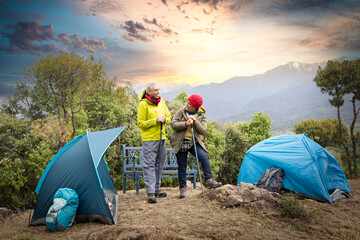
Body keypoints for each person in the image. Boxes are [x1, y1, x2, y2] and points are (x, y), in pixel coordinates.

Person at [170, 94, 222, 198]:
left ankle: (209, 179)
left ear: (195, 107)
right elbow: (173, 124)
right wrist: (186, 123)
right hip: (180, 142)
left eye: (190, 104)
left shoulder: (201, 115)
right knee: (182, 165)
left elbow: (203, 131)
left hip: (194, 142)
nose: (187, 105)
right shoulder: (182, 111)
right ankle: (182, 188)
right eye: (188, 102)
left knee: (203, 156)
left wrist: (195, 121)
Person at [137, 83, 171, 203]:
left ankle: (157, 190)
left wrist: (165, 119)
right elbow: (140, 123)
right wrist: (155, 121)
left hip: (162, 138)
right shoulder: (143, 104)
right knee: (149, 165)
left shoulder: (162, 102)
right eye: (155, 90)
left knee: (159, 164)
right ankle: (150, 193)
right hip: (149, 139)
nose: (158, 92)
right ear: (149, 92)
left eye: (158, 89)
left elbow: (169, 117)